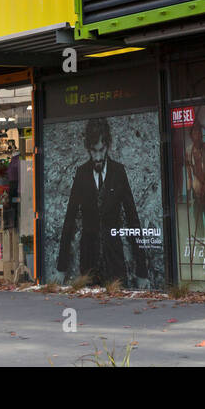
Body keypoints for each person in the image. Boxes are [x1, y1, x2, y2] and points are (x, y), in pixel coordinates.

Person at [56, 118, 147, 286]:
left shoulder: (118, 172)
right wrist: (61, 268)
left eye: (101, 150)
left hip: (115, 259)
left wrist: (142, 271)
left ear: (108, 146)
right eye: (93, 151)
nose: (97, 156)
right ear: (88, 149)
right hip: (89, 260)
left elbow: (133, 219)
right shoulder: (81, 173)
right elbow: (69, 220)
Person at [184, 123, 205, 240]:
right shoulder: (188, 151)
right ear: (191, 135)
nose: (198, 135)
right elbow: (189, 177)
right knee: (199, 229)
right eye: (195, 132)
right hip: (196, 195)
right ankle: (201, 256)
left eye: (200, 132)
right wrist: (188, 196)